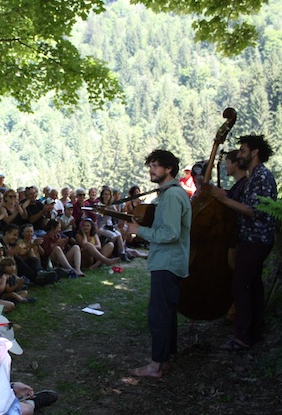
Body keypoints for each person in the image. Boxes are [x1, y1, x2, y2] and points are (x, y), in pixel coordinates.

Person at [127, 149, 191, 378]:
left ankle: (156, 365)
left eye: (155, 166)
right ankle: (165, 359)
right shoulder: (168, 194)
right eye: (150, 166)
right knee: (166, 313)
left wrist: (139, 230)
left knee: (159, 314)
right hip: (167, 260)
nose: (151, 170)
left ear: (169, 169)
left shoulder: (172, 195)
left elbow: (171, 233)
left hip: (167, 261)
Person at [211, 135, 277, 350]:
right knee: (253, 285)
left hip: (256, 240)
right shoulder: (253, 176)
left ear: (254, 152)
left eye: (242, 150)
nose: (239, 155)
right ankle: (253, 333)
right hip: (252, 239)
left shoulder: (261, 176)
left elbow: (253, 210)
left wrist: (224, 199)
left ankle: (241, 337)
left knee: (241, 284)